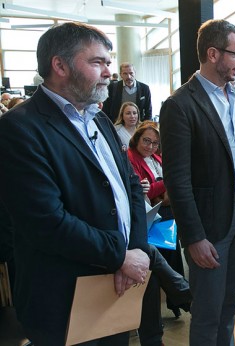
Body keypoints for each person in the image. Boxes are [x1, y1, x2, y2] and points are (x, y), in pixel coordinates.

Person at [0, 22, 150, 345]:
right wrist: (121, 256)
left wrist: (136, 247)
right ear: (60, 66)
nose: (108, 71)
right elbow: (46, 222)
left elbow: (131, 186)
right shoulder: (19, 129)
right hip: (62, 301)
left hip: (115, 288)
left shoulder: (98, 119)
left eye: (108, 62)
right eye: (97, 62)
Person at [159, 19, 235, 345]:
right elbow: (177, 179)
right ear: (213, 53)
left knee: (229, 303)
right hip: (209, 225)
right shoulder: (179, 105)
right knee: (207, 311)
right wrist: (194, 236)